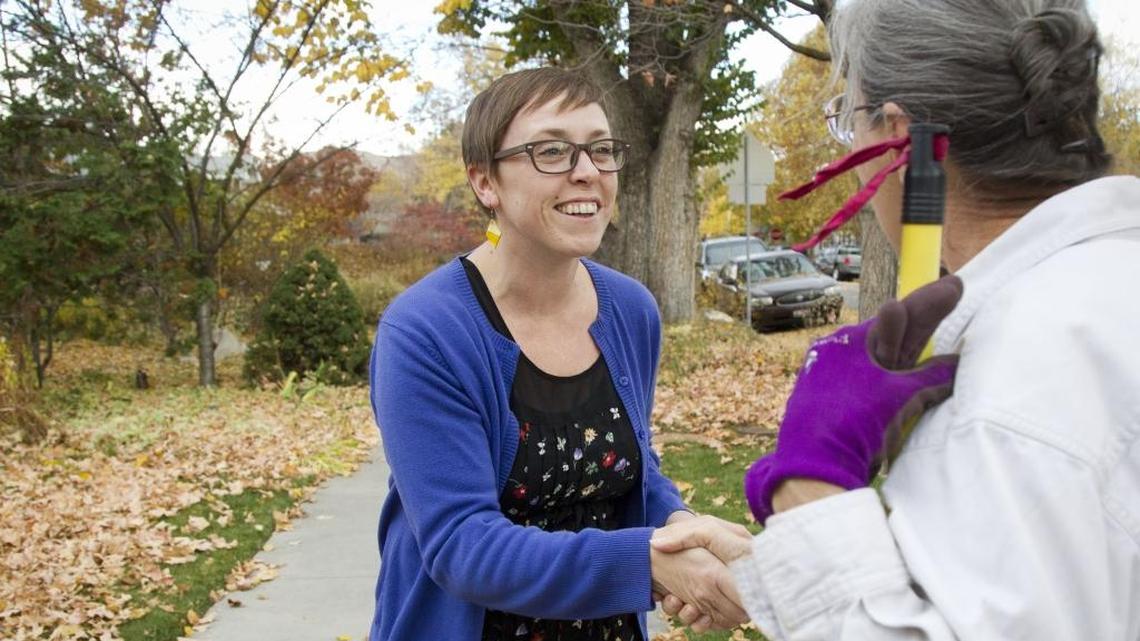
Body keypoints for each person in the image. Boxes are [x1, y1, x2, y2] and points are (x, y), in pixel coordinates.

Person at [650, 0, 1140, 639]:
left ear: (895, 140)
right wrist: (760, 563)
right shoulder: (1097, 289)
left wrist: (807, 485)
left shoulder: (1018, 379)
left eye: (845, 119)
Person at [368, 67, 749, 641]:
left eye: (601, 149)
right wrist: (649, 562)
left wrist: (684, 533)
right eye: (551, 151)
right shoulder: (425, 332)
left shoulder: (630, 311)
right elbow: (461, 545)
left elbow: (630, 474)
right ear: (485, 183)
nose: (587, 172)